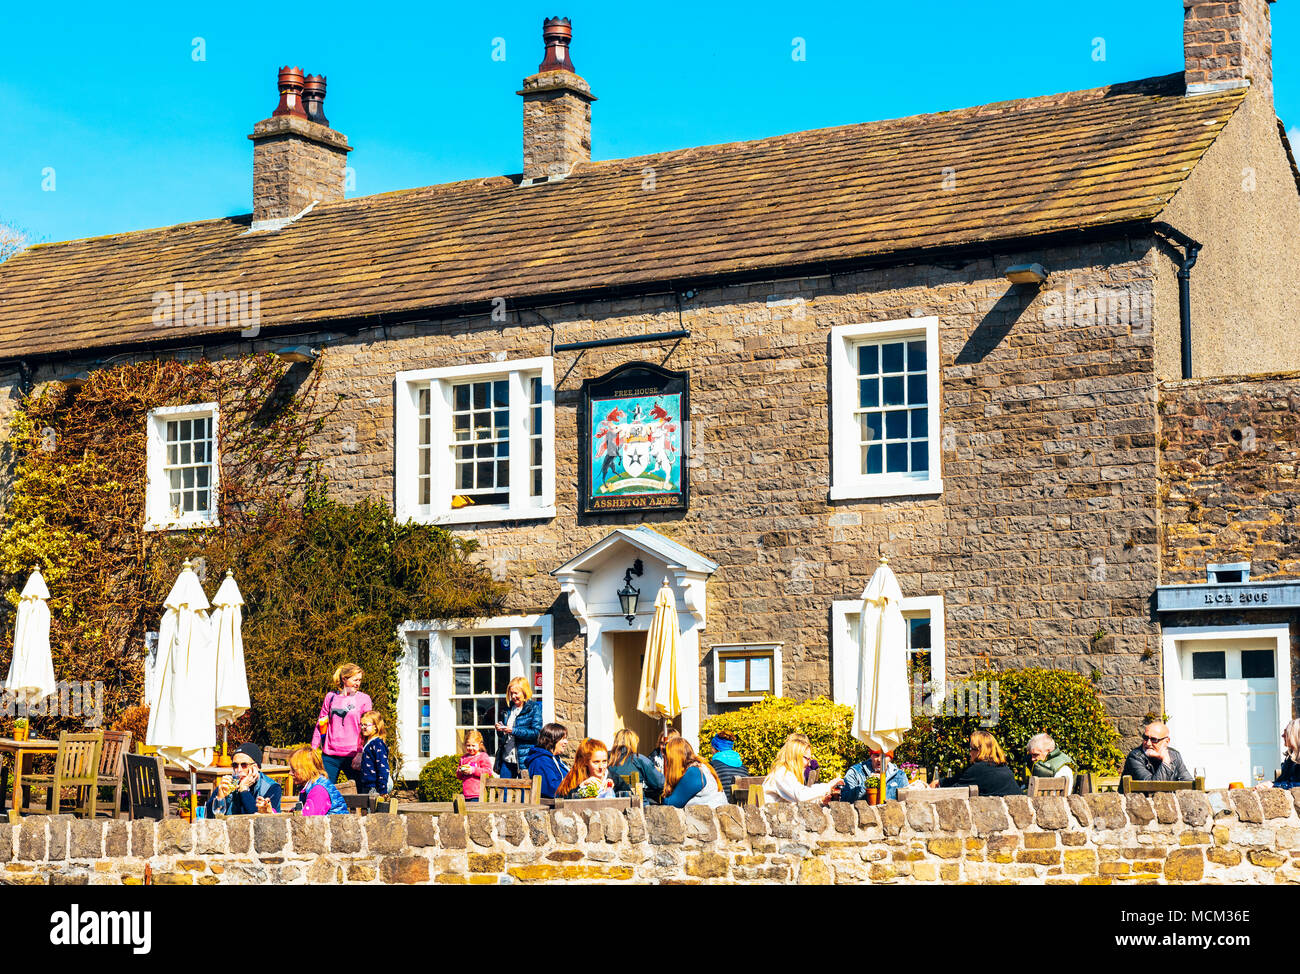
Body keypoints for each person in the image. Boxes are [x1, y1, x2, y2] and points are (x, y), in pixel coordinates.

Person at [311, 662, 373, 788]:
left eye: (360, 680)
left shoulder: (364, 699)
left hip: (354, 756)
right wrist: (313, 749)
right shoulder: (331, 697)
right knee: (324, 791)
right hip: (330, 756)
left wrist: (361, 753)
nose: (358, 683)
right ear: (344, 679)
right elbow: (321, 723)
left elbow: (368, 729)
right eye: (355, 679)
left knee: (363, 793)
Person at [762, 733, 841, 805]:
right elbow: (801, 795)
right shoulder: (782, 774)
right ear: (796, 756)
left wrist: (820, 801)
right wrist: (828, 786)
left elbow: (795, 800)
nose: (809, 763)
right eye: (807, 758)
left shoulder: (786, 772)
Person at [937, 730, 1024, 796]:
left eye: (971, 748)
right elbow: (961, 778)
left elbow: (954, 792)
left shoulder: (979, 769)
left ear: (979, 750)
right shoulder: (1002, 767)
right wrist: (941, 782)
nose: (970, 753)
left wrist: (937, 786)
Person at [206, 743, 282, 816]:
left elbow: (258, 820)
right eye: (235, 765)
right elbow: (207, 816)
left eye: (244, 765)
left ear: (256, 767)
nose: (238, 770)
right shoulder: (228, 785)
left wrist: (244, 790)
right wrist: (220, 798)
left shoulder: (272, 788)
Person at [493, 676, 542, 778]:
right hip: (507, 757)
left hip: (525, 759)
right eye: (511, 693)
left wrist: (513, 730)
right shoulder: (508, 709)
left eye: (516, 693)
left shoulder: (534, 708)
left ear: (524, 692)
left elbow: (536, 733)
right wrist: (500, 729)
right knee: (503, 791)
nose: (513, 696)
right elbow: (503, 736)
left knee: (525, 793)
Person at [662, 737, 728, 808]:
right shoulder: (699, 767)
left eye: (667, 758)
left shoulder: (694, 773)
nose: (666, 762)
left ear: (674, 759)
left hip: (713, 817)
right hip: (716, 815)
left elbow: (670, 805)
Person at [555, 738, 630, 800]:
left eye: (604, 761)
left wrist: (611, 791)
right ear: (586, 762)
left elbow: (631, 799)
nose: (601, 767)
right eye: (596, 762)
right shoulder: (577, 778)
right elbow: (560, 801)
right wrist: (581, 788)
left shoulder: (614, 778)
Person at [1123, 720, 1192, 782]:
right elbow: (1154, 787)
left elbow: (1188, 782)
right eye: (1146, 738)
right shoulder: (1135, 757)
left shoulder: (1174, 755)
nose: (1148, 743)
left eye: (1154, 739)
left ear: (1166, 741)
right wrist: (1166, 762)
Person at [286, 747, 348, 815]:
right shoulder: (308, 786)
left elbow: (309, 818)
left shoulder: (318, 790)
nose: (290, 773)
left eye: (294, 770)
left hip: (335, 824)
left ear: (307, 770)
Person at [608, 728, 664, 803]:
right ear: (634, 743)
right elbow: (660, 784)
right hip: (638, 804)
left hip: (613, 803)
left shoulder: (606, 759)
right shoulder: (638, 759)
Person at [840, 750, 909, 802]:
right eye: (876, 755)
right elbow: (845, 799)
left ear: (890, 758)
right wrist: (866, 785)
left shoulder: (900, 776)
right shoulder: (855, 772)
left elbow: (907, 802)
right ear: (871, 756)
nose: (879, 759)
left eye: (884, 756)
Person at [524, 722, 571, 799]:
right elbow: (552, 789)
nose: (566, 742)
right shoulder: (541, 761)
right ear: (552, 740)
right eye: (563, 739)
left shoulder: (555, 759)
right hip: (552, 807)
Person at [354, 710, 391, 796]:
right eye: (361, 724)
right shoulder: (368, 742)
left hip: (376, 786)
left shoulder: (377, 744)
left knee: (373, 809)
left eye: (366, 725)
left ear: (376, 726)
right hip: (369, 785)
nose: (363, 727)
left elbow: (382, 767)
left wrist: (382, 790)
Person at [708, 730, 751, 802]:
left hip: (721, 808)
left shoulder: (712, 766)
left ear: (716, 749)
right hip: (741, 809)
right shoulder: (743, 768)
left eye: (712, 747)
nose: (711, 750)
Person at [457, 730, 495, 802]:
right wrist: (460, 771)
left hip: (478, 794)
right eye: (468, 745)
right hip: (466, 794)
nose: (471, 748)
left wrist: (473, 770)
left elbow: (488, 771)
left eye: (473, 745)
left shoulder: (483, 756)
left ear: (480, 745)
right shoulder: (464, 758)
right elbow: (459, 776)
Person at [1263, 719, 1300, 789]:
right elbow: (1282, 781)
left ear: (1295, 735)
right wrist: (1270, 784)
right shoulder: (1291, 759)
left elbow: (1297, 785)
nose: (1282, 735)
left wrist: (1275, 785)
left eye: (1286, 733)